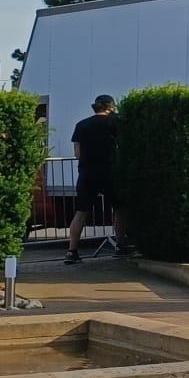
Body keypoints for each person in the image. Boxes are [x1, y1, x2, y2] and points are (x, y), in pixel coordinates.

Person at [66, 94, 123, 263]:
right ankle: (120, 246)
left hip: (87, 173)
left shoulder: (81, 125)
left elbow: (77, 153)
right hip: (110, 171)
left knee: (81, 212)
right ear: (110, 106)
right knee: (119, 209)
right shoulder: (115, 123)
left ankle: (72, 251)